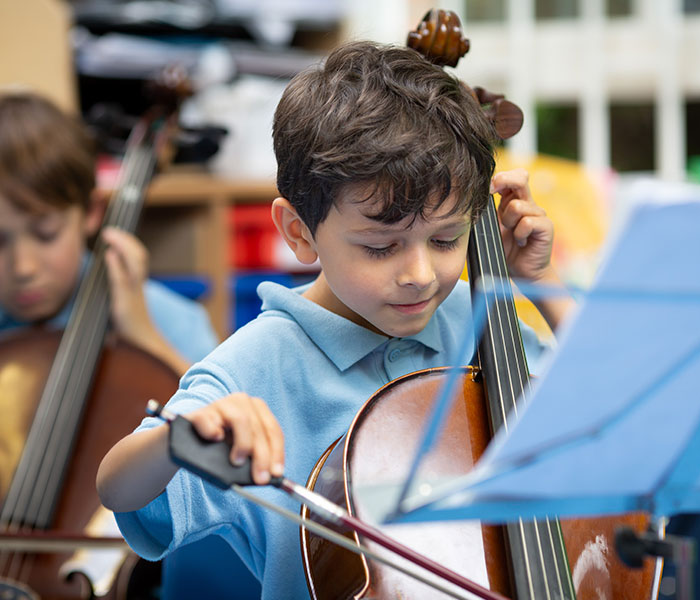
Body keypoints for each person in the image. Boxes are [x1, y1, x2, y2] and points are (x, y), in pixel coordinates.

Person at [96, 40, 574, 599]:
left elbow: (608, 409)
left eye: (447, 238)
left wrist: (544, 288)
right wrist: (179, 438)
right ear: (299, 231)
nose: (420, 274)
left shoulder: (473, 319)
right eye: (380, 247)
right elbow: (118, 485)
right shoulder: (260, 363)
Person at [0, 91, 218, 374]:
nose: (23, 267)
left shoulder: (174, 323)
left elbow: (221, 411)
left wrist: (144, 338)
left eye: (46, 234)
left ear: (91, 212)